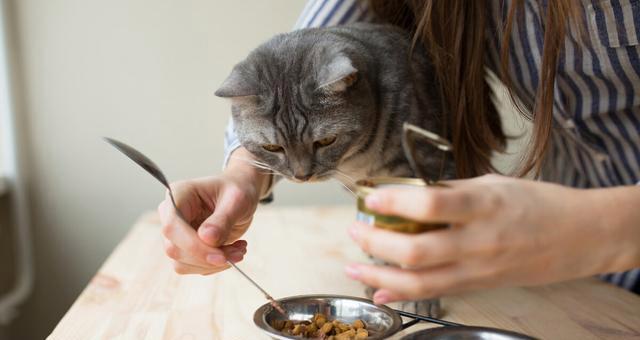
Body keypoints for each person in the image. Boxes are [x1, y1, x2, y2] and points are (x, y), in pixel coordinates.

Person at [158, 0, 640, 305]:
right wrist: (245, 173)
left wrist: (597, 228)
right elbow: (304, 51)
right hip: (577, 281)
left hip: (568, 243)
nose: (303, 175)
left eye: (323, 146)